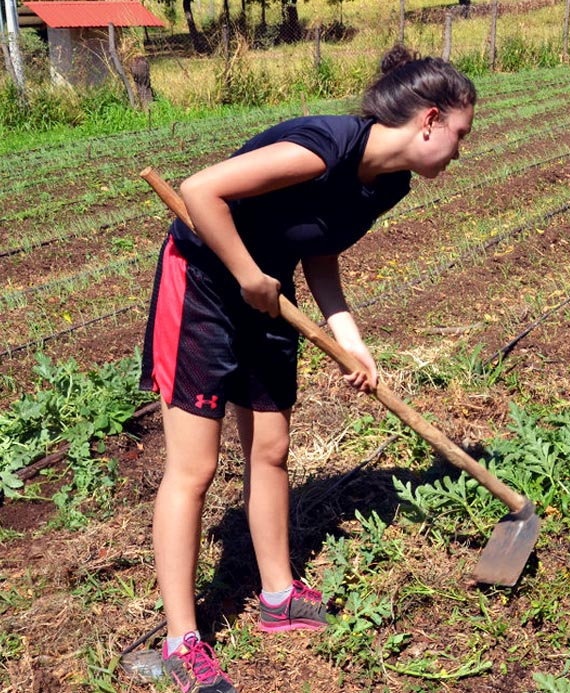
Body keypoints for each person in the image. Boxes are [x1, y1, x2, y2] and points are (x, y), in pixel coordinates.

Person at [138, 45, 476, 693]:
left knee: (271, 447)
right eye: (459, 135)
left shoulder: (388, 183)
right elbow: (199, 190)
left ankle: (276, 594)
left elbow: (320, 250)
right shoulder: (326, 144)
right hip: (207, 280)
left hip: (267, 290)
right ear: (429, 119)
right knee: (196, 465)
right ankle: (182, 639)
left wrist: (350, 338)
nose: (459, 151)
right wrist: (247, 275)